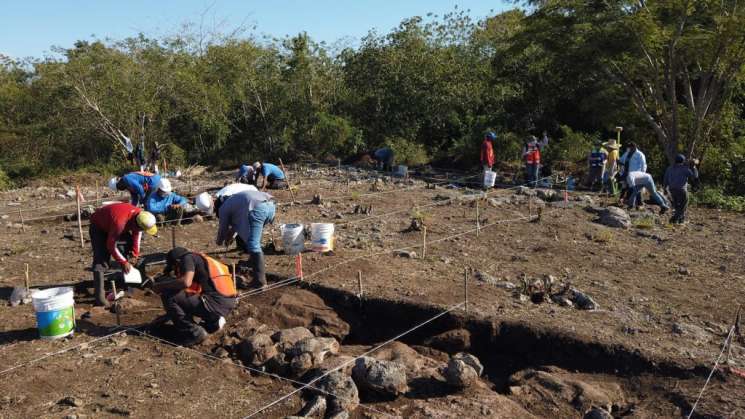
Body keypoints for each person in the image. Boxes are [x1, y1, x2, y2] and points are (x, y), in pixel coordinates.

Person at [152, 247, 237, 346]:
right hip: (226, 304)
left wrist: (160, 286)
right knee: (180, 294)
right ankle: (213, 323)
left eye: (175, 267)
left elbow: (186, 282)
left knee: (168, 294)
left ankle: (194, 333)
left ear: (178, 261)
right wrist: (169, 315)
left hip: (214, 304)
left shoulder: (187, 258)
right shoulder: (203, 260)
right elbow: (188, 297)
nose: (177, 271)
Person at [89, 203, 157, 306]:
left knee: (129, 252)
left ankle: (133, 284)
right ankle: (100, 298)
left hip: (119, 222)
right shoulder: (119, 224)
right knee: (101, 260)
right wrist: (123, 262)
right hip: (99, 227)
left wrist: (135, 253)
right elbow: (111, 245)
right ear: (136, 225)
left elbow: (137, 234)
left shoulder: (140, 215)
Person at [215, 190, 276, 288]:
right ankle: (252, 262)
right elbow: (237, 223)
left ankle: (260, 281)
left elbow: (223, 228)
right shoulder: (233, 200)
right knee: (252, 238)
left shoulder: (223, 208)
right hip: (271, 207)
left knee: (253, 243)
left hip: (258, 209)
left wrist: (219, 241)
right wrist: (230, 236)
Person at [664, 154, 699, 224]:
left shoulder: (669, 168)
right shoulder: (685, 169)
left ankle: (681, 220)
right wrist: (694, 167)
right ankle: (674, 219)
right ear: (683, 161)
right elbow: (694, 177)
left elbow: (665, 179)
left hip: (672, 190)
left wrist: (665, 189)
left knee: (677, 206)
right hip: (681, 190)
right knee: (684, 204)